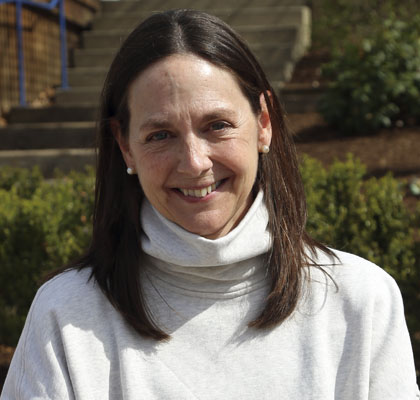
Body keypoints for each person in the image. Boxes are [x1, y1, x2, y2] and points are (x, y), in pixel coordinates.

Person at [1, 9, 419, 400]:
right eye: (160, 134)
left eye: (217, 125)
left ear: (264, 124)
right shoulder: (65, 317)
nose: (195, 162)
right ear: (125, 146)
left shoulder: (362, 302)